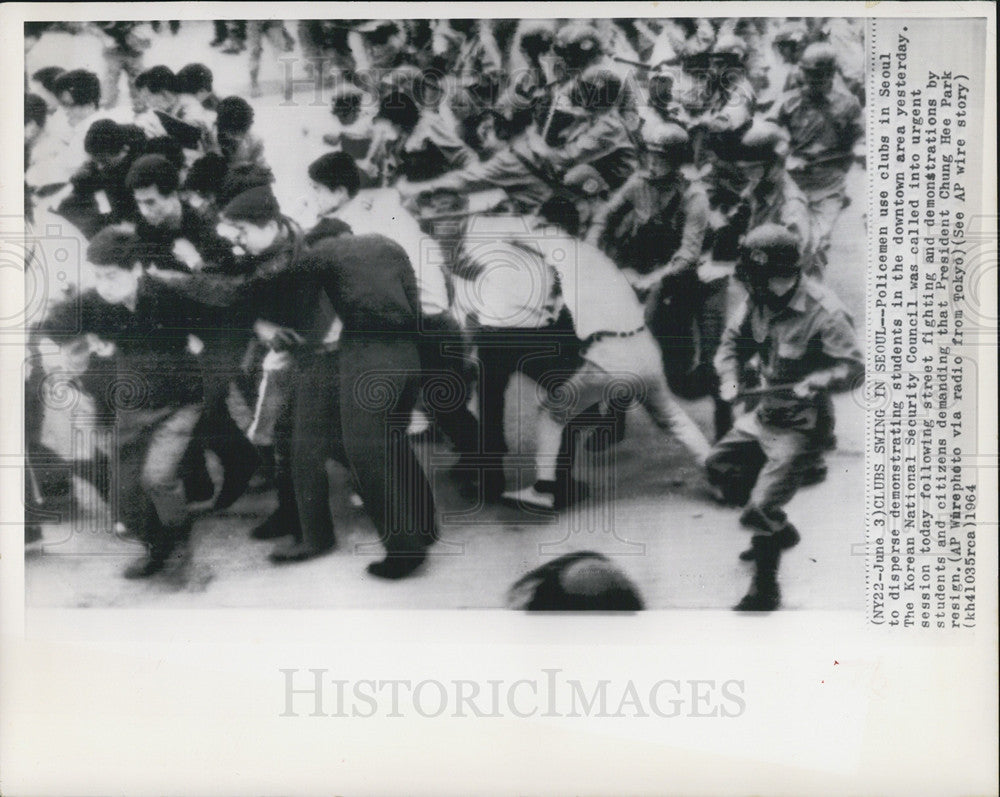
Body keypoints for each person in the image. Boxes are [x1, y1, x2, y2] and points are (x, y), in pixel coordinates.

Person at [33, 226, 226, 579]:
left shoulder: (169, 292)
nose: (104, 284)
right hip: (133, 407)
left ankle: (182, 547)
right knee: (127, 492)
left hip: (180, 403)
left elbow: (219, 323)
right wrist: (77, 328)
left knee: (158, 478)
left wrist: (211, 377)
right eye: (98, 276)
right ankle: (157, 547)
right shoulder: (94, 302)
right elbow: (54, 325)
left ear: (137, 268)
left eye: (112, 276)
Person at [498, 197, 712, 510]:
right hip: (643, 349)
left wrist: (519, 224)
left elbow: (520, 236)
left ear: (550, 226)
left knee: (552, 412)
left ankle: (543, 490)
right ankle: (719, 474)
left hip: (611, 357)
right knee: (674, 419)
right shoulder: (591, 256)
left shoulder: (564, 248)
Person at [705, 225, 863, 611]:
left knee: (761, 504)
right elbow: (730, 344)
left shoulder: (825, 313)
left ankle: (764, 587)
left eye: (754, 274)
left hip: (802, 425)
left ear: (779, 272)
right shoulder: (758, 298)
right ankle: (775, 532)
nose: (748, 282)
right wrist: (728, 379)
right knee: (719, 464)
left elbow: (855, 369)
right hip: (765, 413)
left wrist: (822, 379)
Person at [772, 42, 864, 277]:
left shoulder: (847, 104)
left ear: (831, 74)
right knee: (794, 236)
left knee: (818, 242)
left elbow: (861, 138)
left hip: (829, 183)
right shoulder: (790, 101)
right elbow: (770, 128)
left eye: (819, 75)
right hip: (794, 181)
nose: (812, 80)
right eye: (808, 74)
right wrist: (781, 145)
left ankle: (812, 289)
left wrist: (861, 150)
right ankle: (795, 286)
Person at [55, 119, 145, 239]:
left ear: (124, 150)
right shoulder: (104, 148)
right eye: (95, 161)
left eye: (103, 161)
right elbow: (85, 180)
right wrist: (78, 178)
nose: (99, 167)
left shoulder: (140, 168)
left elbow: (128, 214)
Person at [211, 96, 269, 170]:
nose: (237, 137)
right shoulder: (208, 137)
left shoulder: (255, 142)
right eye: (233, 132)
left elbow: (263, 172)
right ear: (221, 126)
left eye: (242, 132)